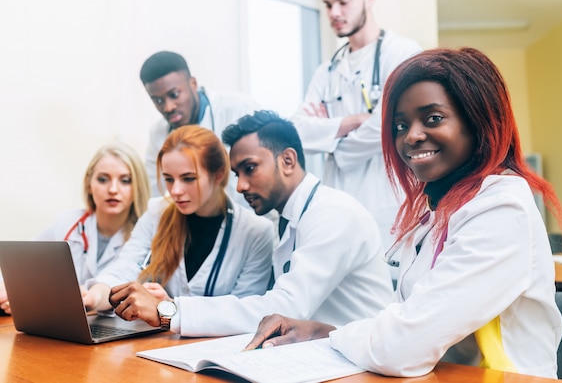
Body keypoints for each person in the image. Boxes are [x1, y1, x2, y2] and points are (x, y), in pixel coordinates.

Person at [245, 48, 562, 379]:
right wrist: (320, 331)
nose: (411, 136)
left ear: (478, 121)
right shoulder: (436, 211)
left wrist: (328, 336)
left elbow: (400, 348)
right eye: (400, 125)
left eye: (434, 118)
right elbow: (409, 322)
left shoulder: (501, 209)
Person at [104, 110, 393, 336]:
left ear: (288, 161)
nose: (240, 186)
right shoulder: (292, 220)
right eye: (237, 173)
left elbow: (283, 308)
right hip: (323, 353)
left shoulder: (332, 214)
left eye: (250, 168)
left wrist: (168, 310)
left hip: (364, 365)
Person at [291, 0, 421, 271]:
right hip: (337, 210)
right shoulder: (327, 72)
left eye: (343, 2)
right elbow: (297, 131)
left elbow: (387, 127)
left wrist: (329, 140)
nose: (334, 12)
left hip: (387, 208)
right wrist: (351, 121)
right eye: (327, 5)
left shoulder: (402, 54)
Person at [83, 125, 274, 315]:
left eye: (188, 179)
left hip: (221, 344)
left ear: (219, 175)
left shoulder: (256, 232)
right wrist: (95, 297)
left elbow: (244, 312)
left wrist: (170, 308)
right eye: (169, 179)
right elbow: (123, 269)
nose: (175, 191)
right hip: (160, 342)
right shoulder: (156, 213)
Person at [0, 143, 150, 316]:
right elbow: (22, 266)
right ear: (89, 184)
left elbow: (121, 286)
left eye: (125, 181)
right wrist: (10, 290)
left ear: (137, 186)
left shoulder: (144, 237)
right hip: (61, 318)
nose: (113, 190)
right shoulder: (68, 222)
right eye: (103, 179)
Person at [140, 50, 259, 199]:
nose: (168, 107)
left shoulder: (241, 109)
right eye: (158, 100)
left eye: (174, 95)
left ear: (193, 84)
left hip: (255, 215)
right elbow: (152, 194)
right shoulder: (158, 133)